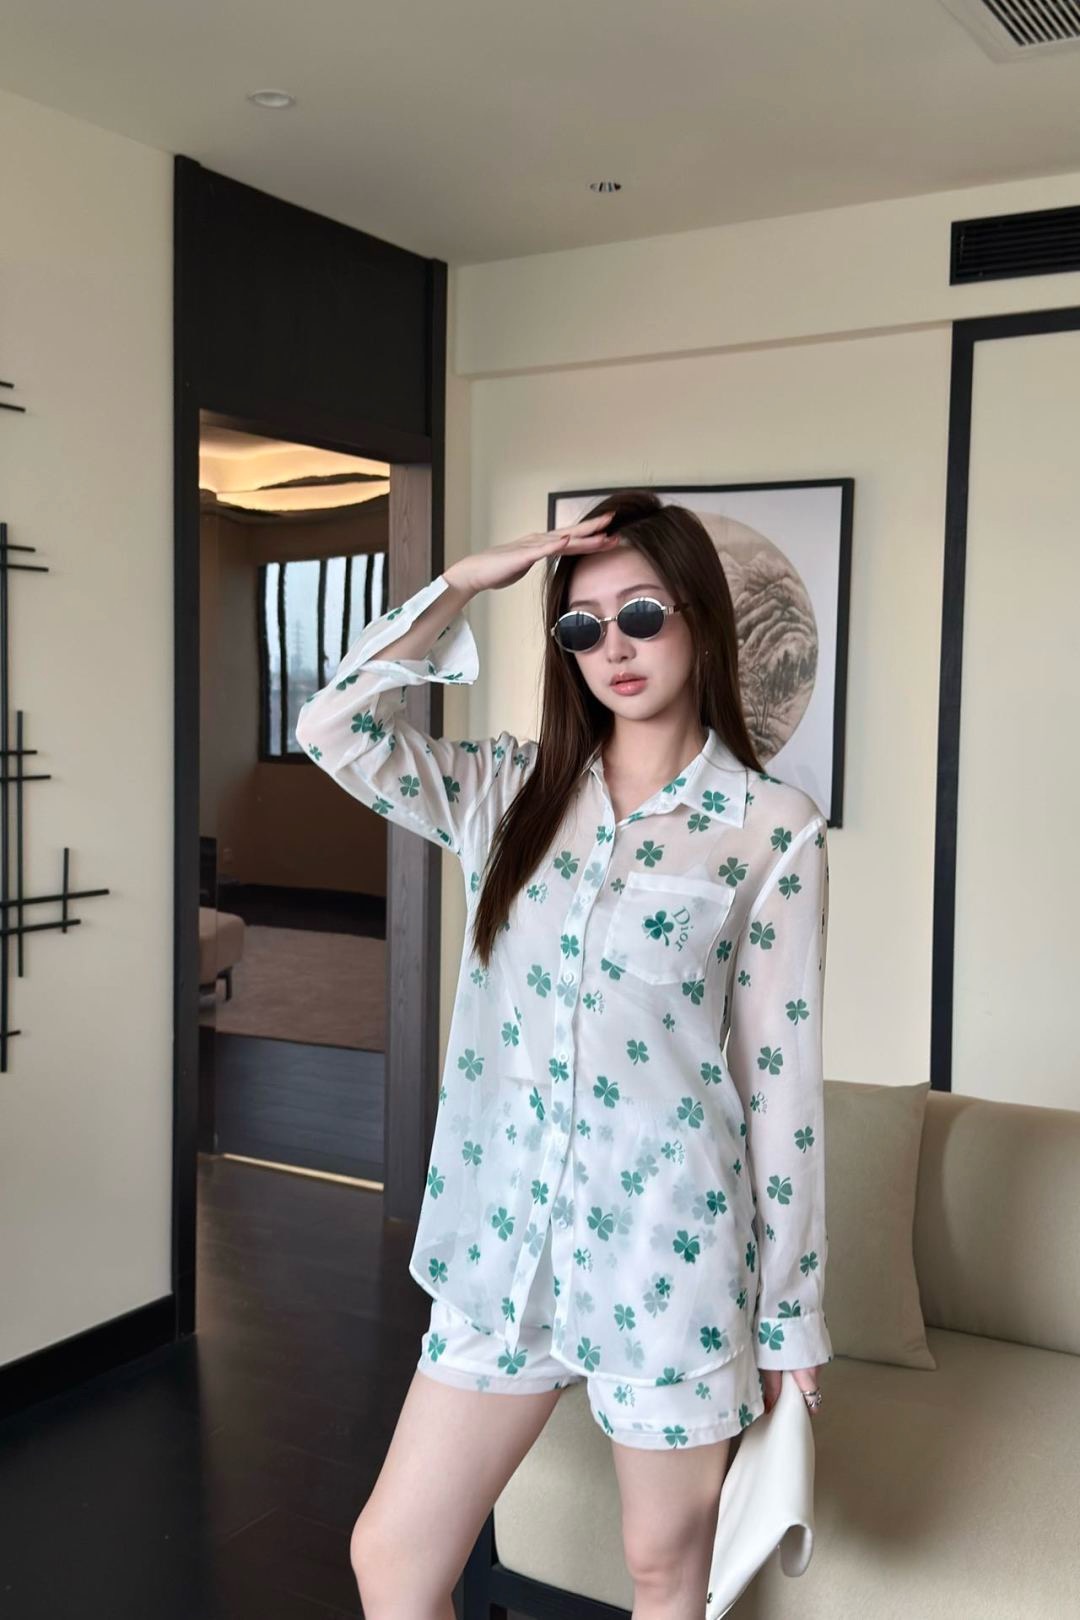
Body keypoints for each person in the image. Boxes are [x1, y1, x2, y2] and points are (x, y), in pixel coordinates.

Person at [295, 488, 831, 1620]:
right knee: (393, 1558)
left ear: (699, 616)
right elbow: (332, 726)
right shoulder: (508, 793)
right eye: (583, 626)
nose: (614, 648)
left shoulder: (771, 829)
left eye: (642, 614)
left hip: (672, 1256)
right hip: (504, 1245)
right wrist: (465, 583)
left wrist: (791, 1322)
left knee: (663, 1575)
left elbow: (778, 1091)